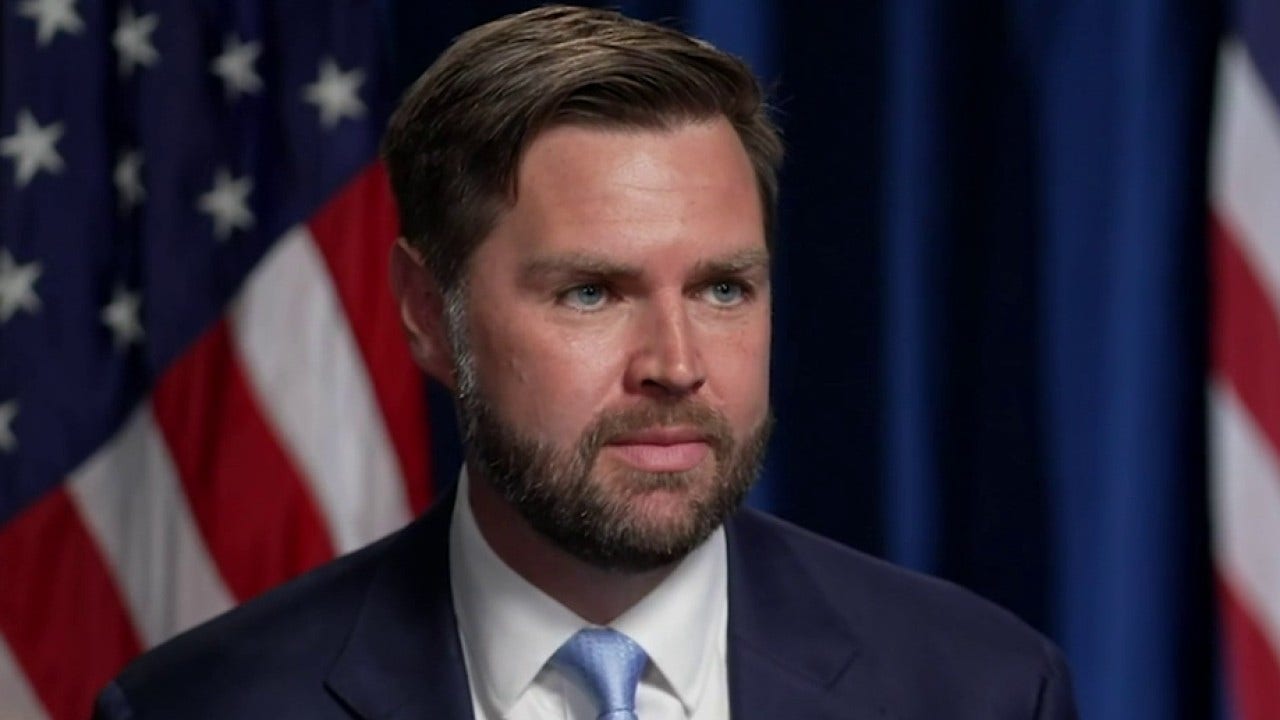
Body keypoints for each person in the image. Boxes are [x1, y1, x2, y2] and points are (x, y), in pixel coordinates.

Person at [94, 6, 1078, 719]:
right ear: (428, 314)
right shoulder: (201, 706)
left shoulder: (982, 689)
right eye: (592, 293)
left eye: (722, 289)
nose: (676, 365)